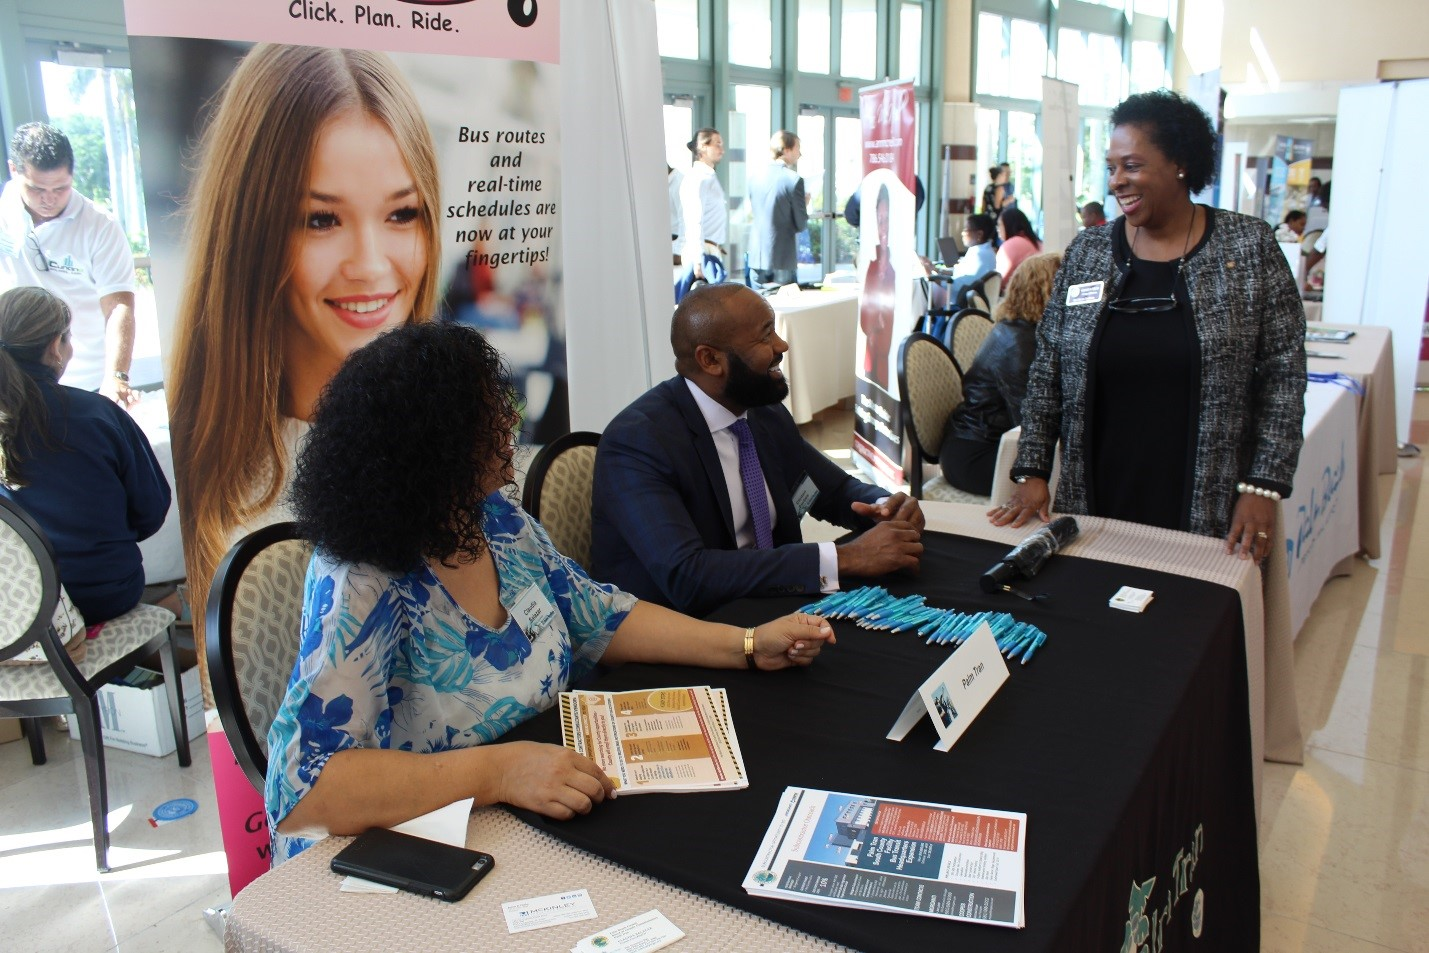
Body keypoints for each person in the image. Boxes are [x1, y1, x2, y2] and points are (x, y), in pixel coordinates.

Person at [265, 322, 836, 861]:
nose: (511, 428)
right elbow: (309, 791)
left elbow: (599, 616)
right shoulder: (361, 578)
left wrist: (746, 643)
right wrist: (500, 772)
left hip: (537, 804)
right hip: (430, 840)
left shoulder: (493, 519)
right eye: (490, 418)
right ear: (433, 445)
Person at [167, 44, 442, 668]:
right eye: (322, 220)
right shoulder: (227, 490)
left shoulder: (445, 438)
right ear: (249, 232)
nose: (372, 265)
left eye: (402, 214)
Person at [991, 89, 1306, 563]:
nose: (1117, 181)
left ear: (1180, 163)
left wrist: (1263, 485)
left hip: (1209, 502)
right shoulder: (1088, 253)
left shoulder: (1249, 248)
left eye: (1132, 166)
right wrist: (1032, 469)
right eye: (1111, 166)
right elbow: (1048, 370)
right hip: (1096, 494)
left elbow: (1284, 375)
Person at [591, 283, 924, 617]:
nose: (782, 345)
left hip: (771, 610)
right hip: (682, 631)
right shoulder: (638, 442)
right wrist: (848, 558)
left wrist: (885, 507)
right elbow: (687, 575)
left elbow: (831, 488)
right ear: (710, 360)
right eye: (766, 336)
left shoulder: (762, 412)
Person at [0, 287, 168, 623]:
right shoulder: (96, 414)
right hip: (104, 594)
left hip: (17, 608)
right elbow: (151, 510)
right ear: (54, 347)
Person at [0, 123, 138, 407]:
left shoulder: (99, 225)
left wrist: (116, 375)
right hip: (14, 379)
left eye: (60, 188)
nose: (49, 199)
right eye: (37, 188)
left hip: (85, 379)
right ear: (14, 171)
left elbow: (118, 306)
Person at [937, 252, 1061, 496]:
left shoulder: (1020, 330)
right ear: (1047, 292)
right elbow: (1031, 424)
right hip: (977, 455)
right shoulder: (1019, 346)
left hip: (985, 442)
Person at [747, 131, 809, 286]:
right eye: (797, 148)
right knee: (783, 308)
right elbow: (800, 224)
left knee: (757, 308)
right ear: (786, 150)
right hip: (782, 258)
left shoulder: (754, 177)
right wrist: (804, 205)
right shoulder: (793, 180)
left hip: (756, 258)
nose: (800, 154)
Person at [858, 184, 897, 391]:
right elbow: (865, 318)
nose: (884, 229)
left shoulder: (895, 268)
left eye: (887, 220)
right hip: (871, 360)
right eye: (880, 221)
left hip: (886, 366)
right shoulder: (872, 268)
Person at [679, 128, 727, 282]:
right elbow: (694, 219)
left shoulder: (708, 176)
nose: (722, 150)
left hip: (710, 250)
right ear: (703, 147)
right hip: (702, 253)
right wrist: (698, 259)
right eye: (717, 144)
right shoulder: (698, 178)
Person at [942, 214, 997, 305]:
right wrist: (939, 270)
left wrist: (934, 278)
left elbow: (957, 285)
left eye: (966, 229)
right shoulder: (984, 252)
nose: (962, 233)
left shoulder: (980, 256)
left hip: (962, 307)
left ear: (979, 234)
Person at [994, 207, 1042, 285]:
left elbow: (999, 282)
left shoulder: (1011, 245)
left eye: (999, 225)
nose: (998, 229)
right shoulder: (1036, 242)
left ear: (1008, 225)